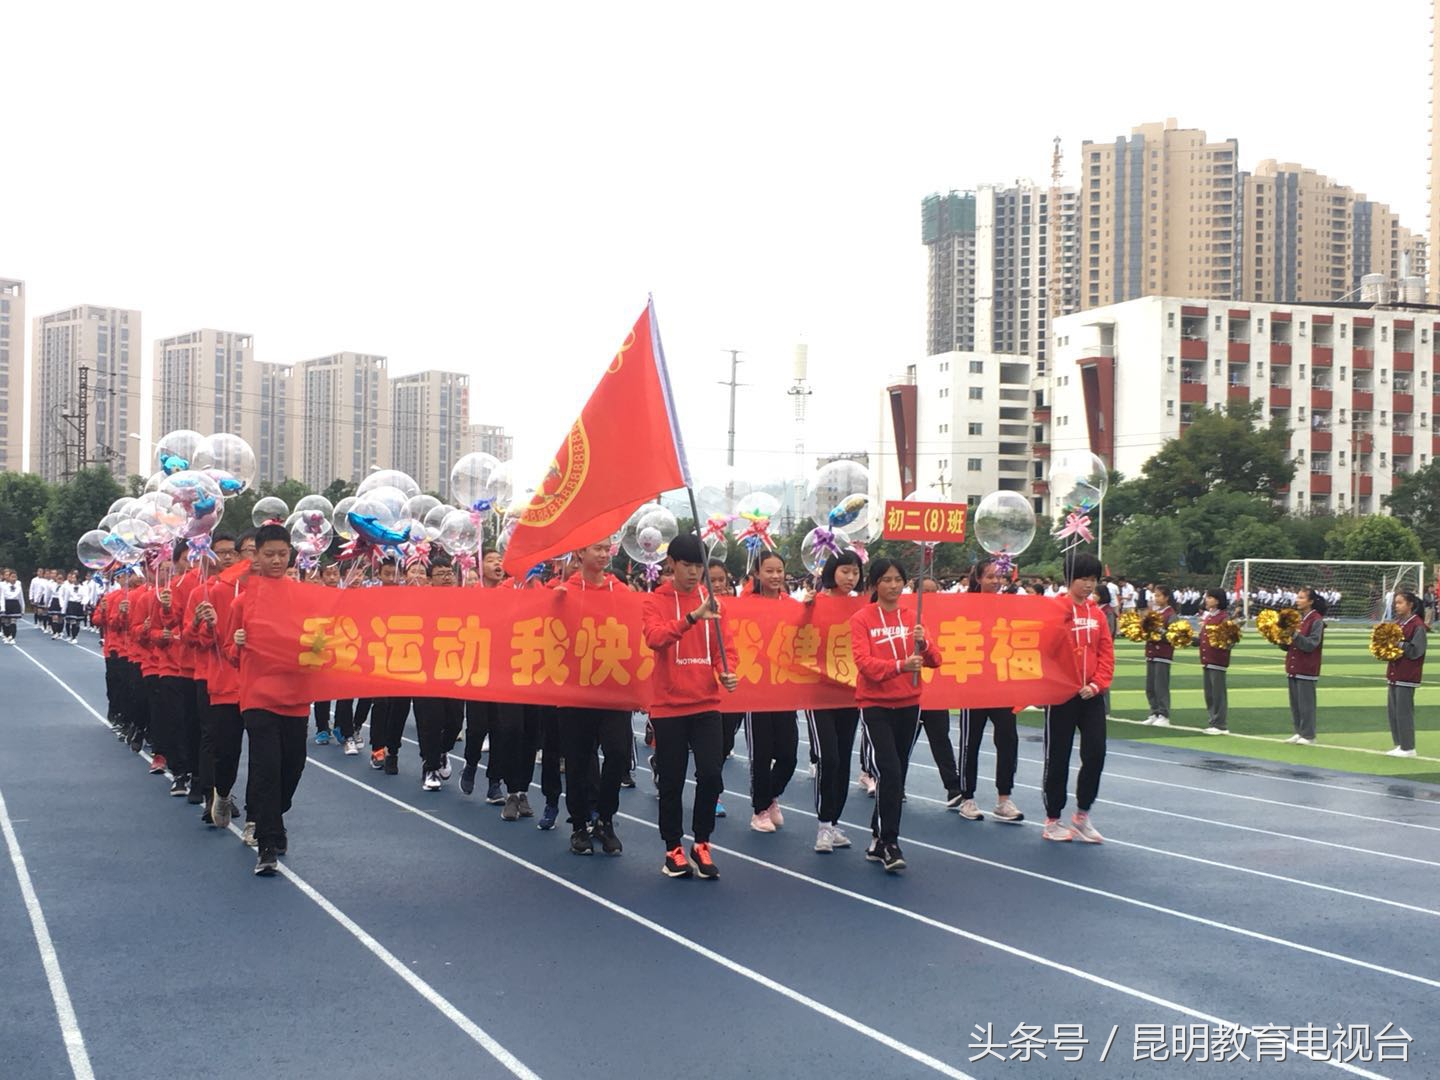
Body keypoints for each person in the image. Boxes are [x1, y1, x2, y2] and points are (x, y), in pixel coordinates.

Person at [642, 533, 738, 880]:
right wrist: (693, 617)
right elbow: (655, 638)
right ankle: (673, 848)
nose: (694, 572)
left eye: (699, 565)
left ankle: (702, 842)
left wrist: (726, 672)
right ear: (672, 565)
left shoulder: (715, 603)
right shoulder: (656, 601)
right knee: (671, 781)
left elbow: (724, 649)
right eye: (688, 565)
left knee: (711, 774)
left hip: (706, 703)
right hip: (669, 706)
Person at [226, 523, 310, 876]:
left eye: (282, 554)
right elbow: (229, 652)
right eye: (269, 554)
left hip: (295, 696)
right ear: (255, 558)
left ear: (291, 554)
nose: (277, 560)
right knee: (266, 768)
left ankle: (275, 813)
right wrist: (239, 642)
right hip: (258, 696)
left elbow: (320, 643)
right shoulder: (243, 601)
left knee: (293, 766)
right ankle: (268, 842)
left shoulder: (304, 597)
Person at [850, 558, 940, 873]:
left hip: (909, 703)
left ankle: (877, 838)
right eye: (885, 579)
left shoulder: (912, 617)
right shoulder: (861, 619)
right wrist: (900, 666)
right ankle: (890, 842)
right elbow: (864, 664)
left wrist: (924, 645)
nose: (892, 585)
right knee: (889, 770)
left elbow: (936, 659)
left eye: (897, 579)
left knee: (897, 772)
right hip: (875, 704)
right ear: (874, 584)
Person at [554, 539, 632, 854]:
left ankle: (605, 818)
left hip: (613, 688)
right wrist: (553, 605)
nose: (602, 554)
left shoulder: (621, 592)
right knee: (578, 760)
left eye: (606, 548)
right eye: (595, 548)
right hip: (575, 692)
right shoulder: (564, 591)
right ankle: (579, 824)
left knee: (617, 753)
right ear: (579, 553)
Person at [1041, 553, 1114, 843]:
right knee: (1057, 756)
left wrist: (1098, 684)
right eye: (1083, 579)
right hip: (1061, 695)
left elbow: (1106, 652)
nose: (1088, 585)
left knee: (1095, 752)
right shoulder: (1055, 608)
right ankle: (1052, 818)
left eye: (1094, 580)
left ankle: (1082, 815)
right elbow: (1045, 648)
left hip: (1091, 694)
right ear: (1070, 579)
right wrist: (1062, 622)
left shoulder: (1096, 614)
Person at [955, 558, 1024, 823]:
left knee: (1008, 740)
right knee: (970, 742)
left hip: (1001, 683)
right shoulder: (964, 605)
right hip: (972, 683)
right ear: (978, 578)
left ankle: (1003, 799)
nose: (995, 581)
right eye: (990, 576)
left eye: (1000, 576)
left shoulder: (1009, 605)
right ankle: (967, 797)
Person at [808, 552, 863, 852]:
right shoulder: (814, 602)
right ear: (832, 571)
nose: (850, 577)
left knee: (842, 760)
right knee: (828, 758)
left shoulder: (861, 606)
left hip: (850, 694)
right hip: (819, 694)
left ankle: (834, 821)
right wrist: (804, 609)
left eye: (855, 572)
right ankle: (823, 825)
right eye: (845, 571)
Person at [744, 550, 800, 834]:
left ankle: (770, 796)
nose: (775, 576)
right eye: (769, 570)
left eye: (779, 570)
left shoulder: (793, 605)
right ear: (757, 573)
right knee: (761, 754)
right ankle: (759, 810)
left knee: (789, 755)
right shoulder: (746, 604)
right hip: (756, 691)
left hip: (785, 689)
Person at [911, 574, 963, 807]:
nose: (930, 596)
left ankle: (953, 787)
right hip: (909, 692)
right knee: (904, 742)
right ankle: (893, 784)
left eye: (935, 591)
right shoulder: (906, 617)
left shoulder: (947, 617)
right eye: (926, 592)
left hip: (936, 693)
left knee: (941, 739)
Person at [1282, 586, 1326, 746]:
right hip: (1294, 666)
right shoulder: (1298, 618)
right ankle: (1299, 731)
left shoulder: (1317, 620)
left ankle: (1308, 735)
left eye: (1301, 598)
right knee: (1295, 703)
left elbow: (1311, 644)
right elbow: (1290, 644)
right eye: (1297, 597)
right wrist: (1280, 639)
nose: (1297, 600)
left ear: (1311, 601)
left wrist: (1294, 634)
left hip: (1307, 667)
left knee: (1306, 703)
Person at [1385, 591, 1425, 758]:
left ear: (1410, 605)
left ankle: (1408, 747)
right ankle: (1400, 744)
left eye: (1400, 602)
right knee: (1393, 710)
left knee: (1404, 711)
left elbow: (1417, 650)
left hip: (1407, 674)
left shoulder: (1417, 625)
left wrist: (1399, 644)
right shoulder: (1398, 623)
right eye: (1396, 602)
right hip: (1395, 673)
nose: (1396, 605)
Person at [1142, 585, 1177, 726]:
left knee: (1161, 685)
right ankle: (1154, 711)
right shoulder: (1154, 613)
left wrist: (1158, 630)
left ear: (1166, 598)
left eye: (1159, 596)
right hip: (1151, 652)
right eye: (1155, 595)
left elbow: (1173, 635)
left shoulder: (1171, 614)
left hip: (1163, 653)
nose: (1156, 598)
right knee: (1150, 686)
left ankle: (1164, 714)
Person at [1198, 588, 1231, 735]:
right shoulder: (1209, 617)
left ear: (1217, 600)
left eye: (1210, 598)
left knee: (1218, 693)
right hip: (1207, 659)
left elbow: (1230, 640)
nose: (1206, 600)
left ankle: (1220, 724)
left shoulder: (1224, 617)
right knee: (1209, 694)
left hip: (1217, 660)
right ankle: (1213, 721)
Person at [0, 568, 21, 643]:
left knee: (13, 621)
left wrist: (23, 607)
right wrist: (2, 608)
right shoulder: (4, 586)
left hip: (15, 604)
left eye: (15, 577)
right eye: (12, 577)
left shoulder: (18, 586)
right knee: (6, 622)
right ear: (9, 577)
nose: (14, 579)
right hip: (7, 604)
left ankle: (12, 637)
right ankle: (7, 635)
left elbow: (20, 597)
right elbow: (2, 597)